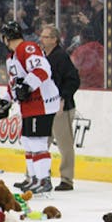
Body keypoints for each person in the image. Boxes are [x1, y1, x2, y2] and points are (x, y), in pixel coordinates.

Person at [0, 21, 61, 194]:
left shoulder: (27, 48)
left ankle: (43, 180)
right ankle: (33, 179)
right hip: (29, 105)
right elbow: (14, 85)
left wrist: (27, 86)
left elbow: (43, 70)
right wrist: (4, 102)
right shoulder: (11, 58)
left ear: (6, 38)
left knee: (37, 142)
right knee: (28, 141)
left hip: (42, 103)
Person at [39, 26, 80, 192]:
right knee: (41, 142)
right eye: (41, 36)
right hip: (45, 107)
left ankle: (67, 179)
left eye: (46, 37)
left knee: (65, 144)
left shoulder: (61, 57)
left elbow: (73, 80)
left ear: (54, 39)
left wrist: (63, 98)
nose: (42, 39)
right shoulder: (42, 57)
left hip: (61, 107)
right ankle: (39, 175)